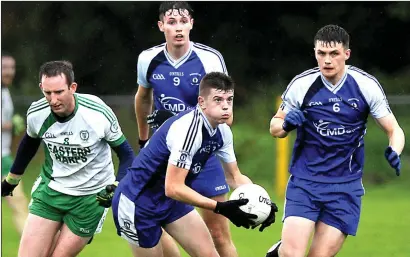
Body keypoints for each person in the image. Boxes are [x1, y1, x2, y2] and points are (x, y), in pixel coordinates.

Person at [265, 24, 405, 257]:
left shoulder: (365, 85)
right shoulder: (303, 84)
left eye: (334, 54)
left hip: (345, 187)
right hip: (305, 181)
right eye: (321, 53)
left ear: (346, 54)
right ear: (315, 53)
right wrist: (287, 123)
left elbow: (394, 129)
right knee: (292, 255)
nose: (327, 60)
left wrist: (395, 149)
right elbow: (274, 127)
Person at [114, 72, 278, 257]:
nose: (225, 106)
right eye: (217, 99)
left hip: (170, 202)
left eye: (229, 99)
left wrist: (261, 200)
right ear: (201, 102)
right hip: (137, 203)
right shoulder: (189, 130)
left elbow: (234, 176)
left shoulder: (223, 131)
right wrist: (219, 207)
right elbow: (173, 187)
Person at [1, 60, 135, 257]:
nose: (53, 99)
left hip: (91, 198)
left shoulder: (97, 113)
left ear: (73, 87)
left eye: (59, 92)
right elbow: (29, 145)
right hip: (51, 192)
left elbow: (127, 155)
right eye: (48, 93)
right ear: (41, 88)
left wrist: (117, 185)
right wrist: (12, 179)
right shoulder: (37, 113)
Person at [134, 2, 236, 257]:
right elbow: (143, 99)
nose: (178, 28)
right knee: (160, 223)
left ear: (191, 23)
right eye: (171, 22)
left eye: (183, 21)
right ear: (161, 26)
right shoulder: (148, 59)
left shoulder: (209, 58)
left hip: (203, 155)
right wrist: (143, 141)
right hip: (165, 157)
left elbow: (227, 115)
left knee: (219, 233)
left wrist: (183, 120)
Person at [1, 52, 30, 235]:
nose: (9, 71)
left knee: (19, 202)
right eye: (4, 67)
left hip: (4, 156)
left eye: (12, 67)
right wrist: (10, 125)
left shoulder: (5, 91)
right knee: (19, 202)